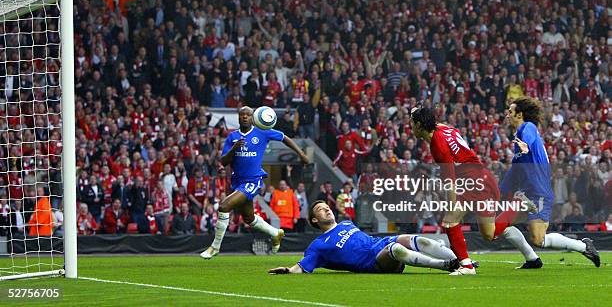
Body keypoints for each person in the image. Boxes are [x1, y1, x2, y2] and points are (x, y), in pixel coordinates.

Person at [410, 105, 537, 275]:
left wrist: (452, 204)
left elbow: (450, 180)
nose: (410, 127)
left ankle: (467, 266)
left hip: (476, 184)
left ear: (419, 125)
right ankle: (518, 205)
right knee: (488, 234)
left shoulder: (438, 145)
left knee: (450, 220)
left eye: (412, 123)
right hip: (479, 178)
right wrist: (416, 112)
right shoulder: (442, 128)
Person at [494, 97, 600, 267]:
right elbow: (515, 171)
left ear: (519, 114)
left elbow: (528, 140)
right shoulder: (518, 139)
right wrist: (500, 191)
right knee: (500, 226)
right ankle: (532, 259)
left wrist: (525, 146)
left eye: (510, 112)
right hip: (525, 195)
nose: (507, 116)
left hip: (538, 193)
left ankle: (583, 246)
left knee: (538, 239)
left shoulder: (527, 128)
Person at [201, 106, 309, 259]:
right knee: (249, 218)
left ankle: (215, 247)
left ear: (252, 117)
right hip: (237, 181)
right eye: (242, 115)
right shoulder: (232, 137)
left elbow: (285, 138)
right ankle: (275, 233)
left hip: (253, 181)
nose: (245, 117)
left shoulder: (262, 132)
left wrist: (302, 154)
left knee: (224, 206)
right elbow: (223, 161)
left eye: (248, 115)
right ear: (238, 118)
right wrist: (234, 148)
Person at [268, 200, 459, 274]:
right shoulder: (318, 246)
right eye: (320, 209)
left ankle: (460, 262)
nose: (326, 209)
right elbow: (301, 267)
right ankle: (444, 266)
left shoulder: (346, 223)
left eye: (326, 206)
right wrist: (287, 270)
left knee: (416, 239)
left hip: (379, 244)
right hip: (374, 262)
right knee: (396, 249)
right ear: (314, 219)